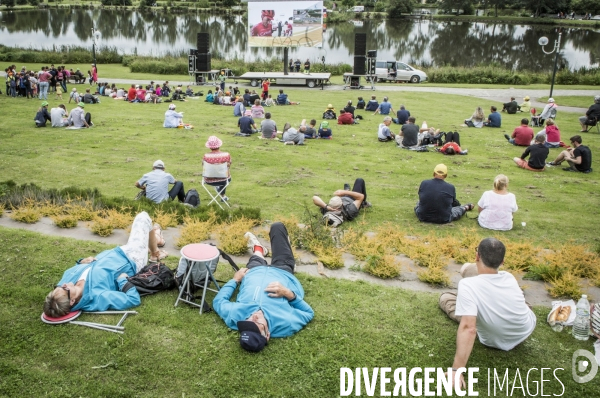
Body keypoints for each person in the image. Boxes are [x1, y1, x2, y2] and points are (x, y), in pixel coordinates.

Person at [439, 238, 536, 387]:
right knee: (469, 272)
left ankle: (466, 300)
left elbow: (469, 328)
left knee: (446, 298)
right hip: (524, 329)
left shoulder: (467, 285)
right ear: (502, 262)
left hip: (494, 338)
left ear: (477, 256)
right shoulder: (508, 277)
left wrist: (456, 370)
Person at [213, 223, 314, 352]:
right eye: (257, 325)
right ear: (267, 335)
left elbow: (218, 302)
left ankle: (259, 250)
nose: (253, 318)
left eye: (248, 322)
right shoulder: (286, 323)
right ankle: (280, 252)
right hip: (283, 272)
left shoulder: (234, 315)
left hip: (254, 271)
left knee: (256, 257)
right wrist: (288, 293)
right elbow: (308, 313)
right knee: (277, 227)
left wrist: (235, 280)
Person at [43, 212, 165, 318]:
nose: (63, 284)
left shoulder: (67, 283)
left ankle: (154, 238)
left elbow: (72, 270)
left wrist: (81, 262)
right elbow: (133, 299)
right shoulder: (97, 296)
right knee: (143, 217)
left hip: (117, 252)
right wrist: (123, 280)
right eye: (64, 288)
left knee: (142, 230)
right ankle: (155, 250)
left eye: (57, 287)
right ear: (72, 301)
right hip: (133, 259)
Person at [203, 136, 231, 202]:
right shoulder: (226, 155)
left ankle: (223, 196)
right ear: (219, 145)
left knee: (223, 175)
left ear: (209, 147)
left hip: (209, 180)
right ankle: (223, 195)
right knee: (225, 175)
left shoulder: (206, 156)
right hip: (224, 179)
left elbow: (203, 166)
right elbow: (229, 165)